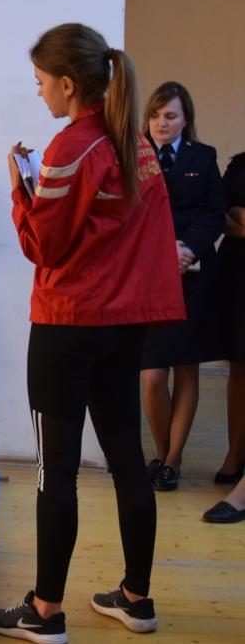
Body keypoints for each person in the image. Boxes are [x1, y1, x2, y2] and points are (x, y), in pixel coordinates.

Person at [0, 24, 185, 643]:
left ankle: (45, 613)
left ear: (68, 84)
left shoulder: (72, 145)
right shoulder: (135, 142)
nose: (39, 91)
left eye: (42, 81)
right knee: (128, 460)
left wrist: (20, 185)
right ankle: (136, 600)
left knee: (56, 473)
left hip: (68, 326)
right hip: (124, 327)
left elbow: (43, 245)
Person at [139, 82, 227, 492]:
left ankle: (171, 461)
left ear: (185, 118)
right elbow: (126, 213)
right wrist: (161, 251)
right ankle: (161, 451)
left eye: (170, 116)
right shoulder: (134, 155)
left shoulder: (203, 156)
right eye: (156, 115)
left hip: (193, 276)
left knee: (186, 370)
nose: (162, 123)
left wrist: (187, 250)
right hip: (149, 279)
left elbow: (215, 212)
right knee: (152, 376)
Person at [214, 150, 245, 485]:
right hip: (238, 275)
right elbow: (219, 214)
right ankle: (235, 453)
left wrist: (240, 215)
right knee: (239, 365)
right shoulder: (240, 165)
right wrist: (236, 215)